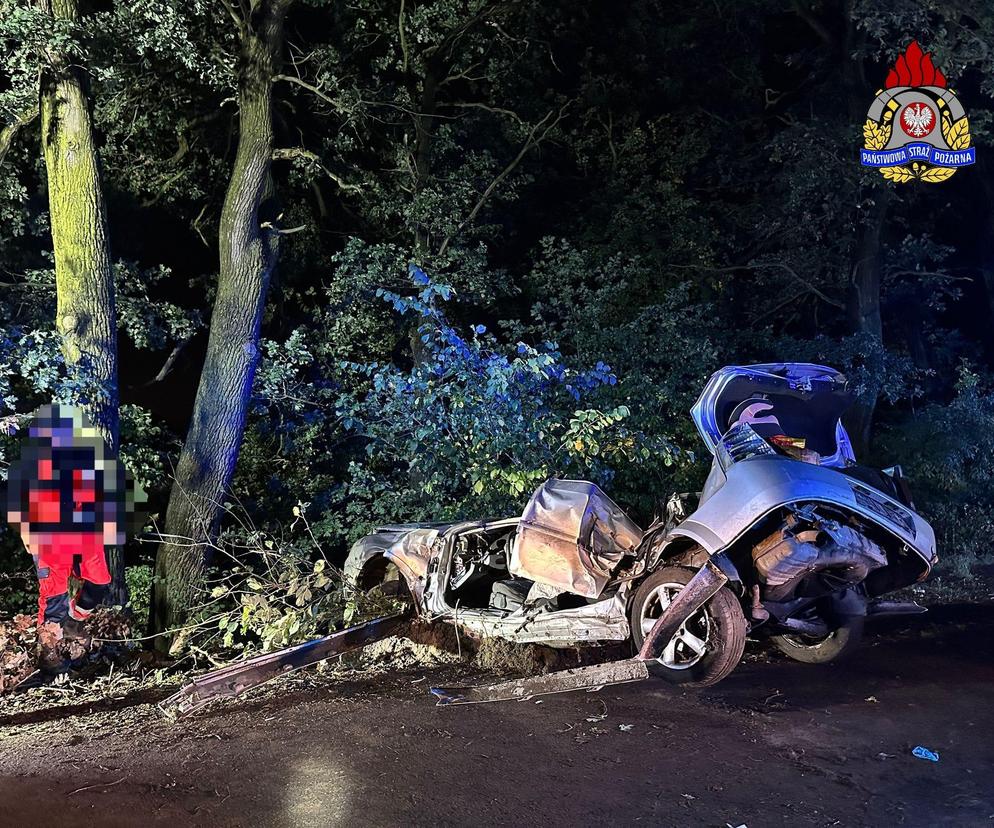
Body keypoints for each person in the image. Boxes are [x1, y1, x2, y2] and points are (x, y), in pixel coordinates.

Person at [4, 404, 134, 671]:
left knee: (100, 583)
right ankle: (49, 657)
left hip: (84, 534)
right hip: (50, 539)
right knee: (54, 600)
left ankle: (74, 620)